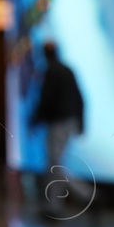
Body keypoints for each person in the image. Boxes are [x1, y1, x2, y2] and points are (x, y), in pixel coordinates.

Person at [33, 42, 86, 177]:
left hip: (58, 122)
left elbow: (46, 98)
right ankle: (55, 197)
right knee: (55, 163)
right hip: (69, 120)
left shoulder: (51, 71)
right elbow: (80, 98)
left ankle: (86, 193)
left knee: (54, 163)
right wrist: (80, 121)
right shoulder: (67, 70)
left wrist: (36, 119)